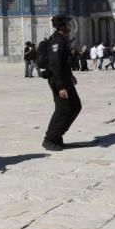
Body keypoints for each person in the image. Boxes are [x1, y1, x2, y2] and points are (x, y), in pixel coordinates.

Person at [41, 14, 81, 151]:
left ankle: (57, 135)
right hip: (58, 81)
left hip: (64, 79)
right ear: (62, 26)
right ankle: (49, 139)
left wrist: (70, 75)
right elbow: (56, 65)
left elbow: (64, 63)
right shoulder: (56, 42)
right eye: (67, 23)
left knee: (75, 106)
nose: (70, 26)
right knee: (62, 109)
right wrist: (61, 86)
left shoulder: (62, 39)